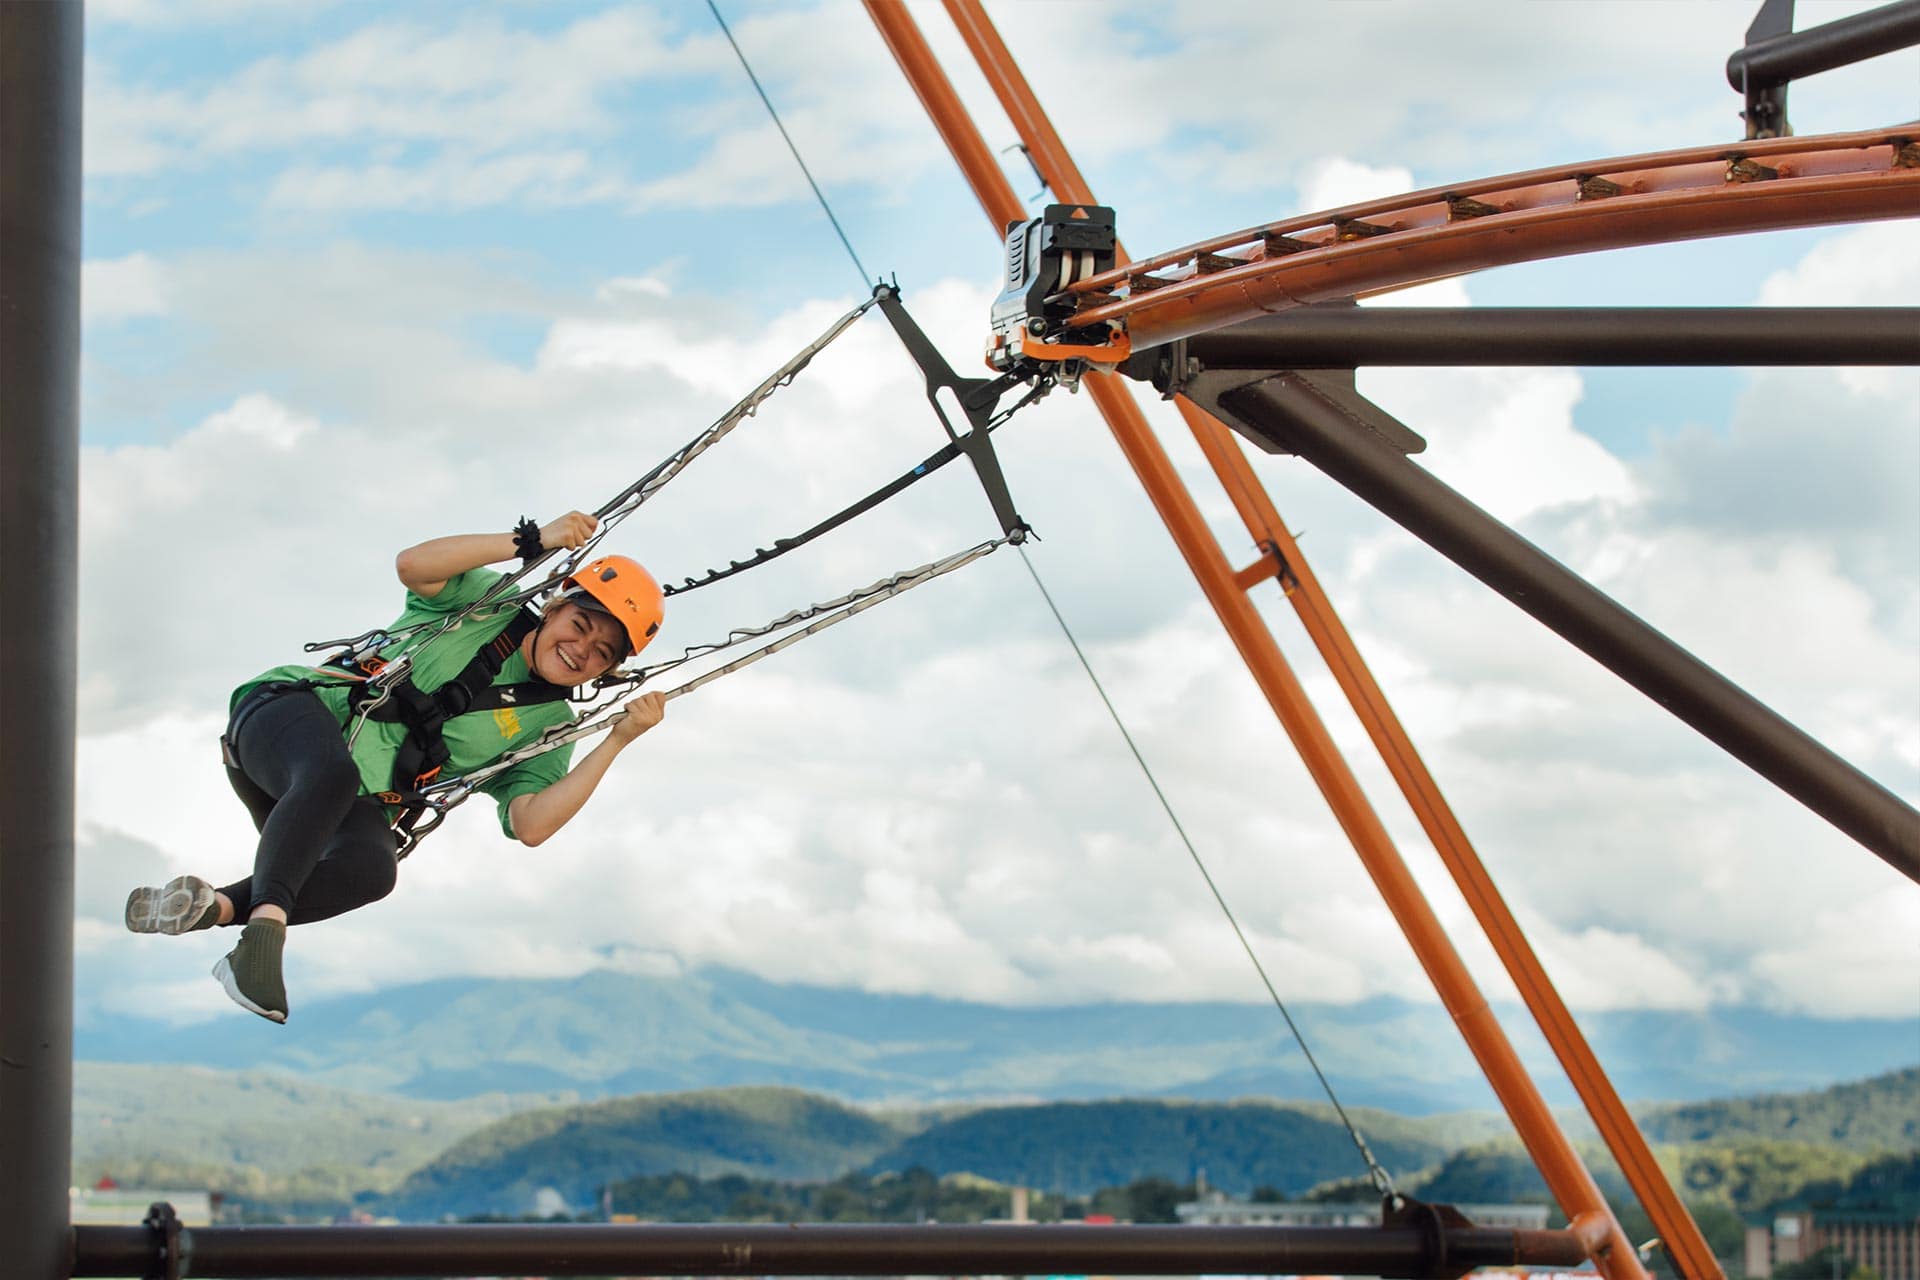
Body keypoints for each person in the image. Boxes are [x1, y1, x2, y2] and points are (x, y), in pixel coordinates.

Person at [123, 511, 667, 1023]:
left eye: (602, 652)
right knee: (332, 776)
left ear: (610, 670)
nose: (581, 650)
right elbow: (414, 565)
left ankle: (212, 908)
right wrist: (535, 541)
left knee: (374, 871)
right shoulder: (486, 603)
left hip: (332, 803)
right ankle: (263, 941)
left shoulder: (547, 724)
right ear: (554, 608)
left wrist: (617, 740)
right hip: (283, 715)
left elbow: (531, 824)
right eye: (580, 625)